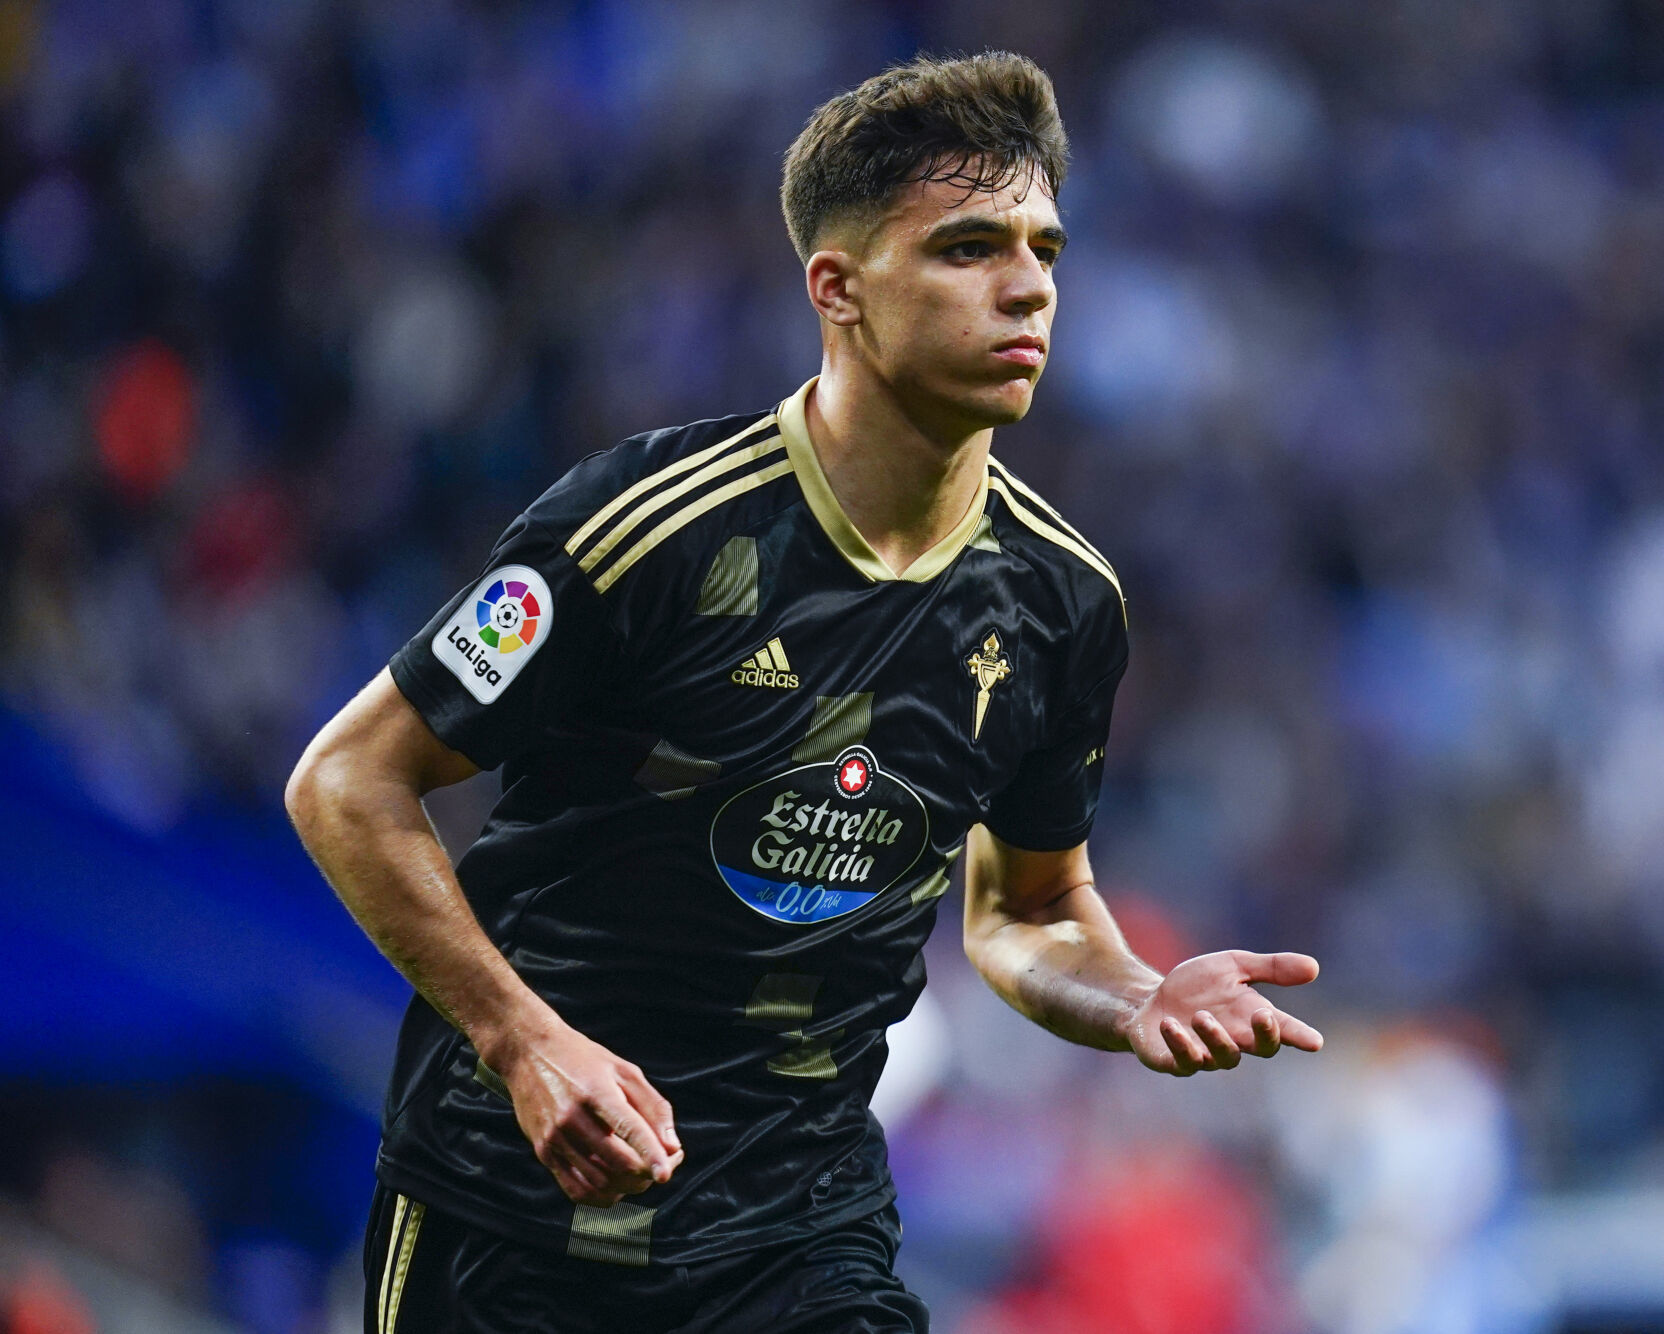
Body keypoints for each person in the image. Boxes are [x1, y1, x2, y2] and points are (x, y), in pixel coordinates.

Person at [286, 49, 1323, 1333]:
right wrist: (520, 1037)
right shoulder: (645, 529)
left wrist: (1135, 995)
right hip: (515, 1210)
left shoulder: (1064, 601)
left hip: (795, 1241)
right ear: (839, 288)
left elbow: (1032, 908)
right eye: (968, 248)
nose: (1028, 288)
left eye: (1045, 250)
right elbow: (348, 780)